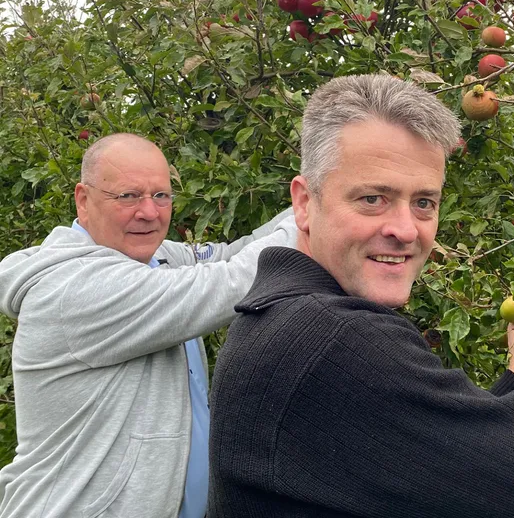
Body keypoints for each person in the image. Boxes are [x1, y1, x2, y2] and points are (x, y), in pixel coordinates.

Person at [207, 74, 514, 518]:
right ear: (304, 203)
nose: (405, 229)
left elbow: (442, 465)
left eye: (424, 203)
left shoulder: (286, 316)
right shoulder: (338, 339)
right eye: (374, 198)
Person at [0, 133, 298, 518]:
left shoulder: (155, 259)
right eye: (127, 196)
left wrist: (317, 194)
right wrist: (320, 207)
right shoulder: (74, 288)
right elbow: (229, 282)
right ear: (83, 200)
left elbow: (231, 256)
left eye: (161, 196)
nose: (149, 212)